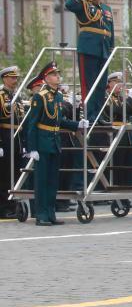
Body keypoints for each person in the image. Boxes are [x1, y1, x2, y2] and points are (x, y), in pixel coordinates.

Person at [23, 62, 86, 225]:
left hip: (55, 142)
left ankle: (51, 214)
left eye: (58, 74)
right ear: (46, 78)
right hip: (42, 144)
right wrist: (32, 148)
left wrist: (77, 124)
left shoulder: (57, 96)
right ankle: (41, 215)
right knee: (41, 181)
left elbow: (59, 120)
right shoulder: (40, 97)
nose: (58, 77)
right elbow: (32, 124)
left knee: (52, 182)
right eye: (54, 75)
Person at [65, 0, 114, 124]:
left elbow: (110, 30)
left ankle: (98, 115)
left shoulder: (106, 8)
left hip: (103, 50)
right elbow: (68, 5)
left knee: (101, 85)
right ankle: (89, 115)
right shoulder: (83, 4)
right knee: (89, 83)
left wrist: (111, 48)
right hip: (88, 48)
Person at [1, 66, 22, 218]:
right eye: (12, 77)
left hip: (17, 135)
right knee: (5, 173)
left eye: (16, 78)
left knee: (15, 171)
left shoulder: (16, 95)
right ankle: (4, 207)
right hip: (5, 135)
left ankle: (13, 204)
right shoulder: (1, 95)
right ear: (5, 78)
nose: (15, 80)